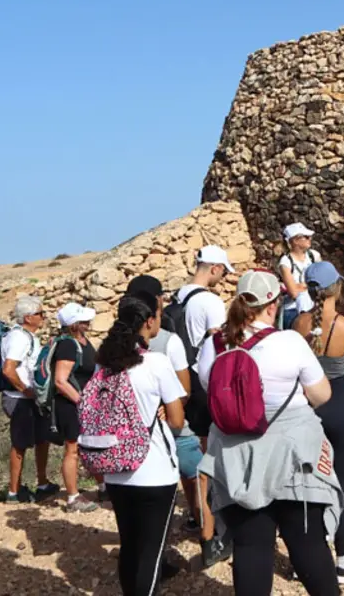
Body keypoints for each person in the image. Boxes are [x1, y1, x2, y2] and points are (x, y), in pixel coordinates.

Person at [197, 270, 342, 596]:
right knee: (307, 545)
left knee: (250, 547)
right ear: (273, 305)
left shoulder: (213, 345)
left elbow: (211, 392)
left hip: (236, 458)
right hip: (291, 455)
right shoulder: (289, 342)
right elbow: (321, 395)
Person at [94, 295, 187, 596]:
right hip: (154, 472)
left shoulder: (103, 365)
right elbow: (176, 420)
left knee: (130, 545)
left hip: (116, 469)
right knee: (152, 552)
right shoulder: (156, 362)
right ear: (149, 321)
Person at [292, 261, 344, 584]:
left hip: (307, 410)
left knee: (306, 485)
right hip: (339, 405)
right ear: (334, 289)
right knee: (340, 486)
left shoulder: (297, 324)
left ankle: (308, 561)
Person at [126, 276, 204, 534]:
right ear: (156, 304)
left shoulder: (114, 344)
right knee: (195, 472)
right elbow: (185, 389)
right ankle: (202, 523)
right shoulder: (169, 341)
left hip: (132, 429)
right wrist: (169, 406)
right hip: (168, 423)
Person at [173, 246, 233, 567]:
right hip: (201, 382)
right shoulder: (209, 301)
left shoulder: (178, 297)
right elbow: (219, 342)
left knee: (190, 453)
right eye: (222, 271)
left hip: (182, 382)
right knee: (210, 458)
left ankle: (197, 516)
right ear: (213, 268)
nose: (223, 278)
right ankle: (214, 532)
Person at [0, 296, 58, 504]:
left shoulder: (24, 336)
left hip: (28, 398)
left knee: (41, 439)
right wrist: (26, 390)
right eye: (40, 314)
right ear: (28, 317)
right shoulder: (19, 339)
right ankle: (13, 492)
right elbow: (8, 369)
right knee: (20, 444)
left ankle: (42, 484)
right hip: (21, 399)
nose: (43, 317)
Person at [51, 302, 100, 513]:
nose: (88, 321)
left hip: (82, 403)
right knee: (72, 449)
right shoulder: (69, 346)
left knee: (91, 445)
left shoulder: (82, 342)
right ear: (73, 324)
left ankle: (104, 487)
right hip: (71, 406)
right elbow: (60, 381)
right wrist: (82, 403)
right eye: (83, 320)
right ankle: (72, 497)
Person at [277, 223, 321, 330]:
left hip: (313, 306)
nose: (309, 239)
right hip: (293, 309)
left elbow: (322, 281)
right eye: (306, 237)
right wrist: (311, 284)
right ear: (295, 240)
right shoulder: (285, 262)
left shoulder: (314, 255)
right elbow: (293, 293)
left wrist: (300, 286)